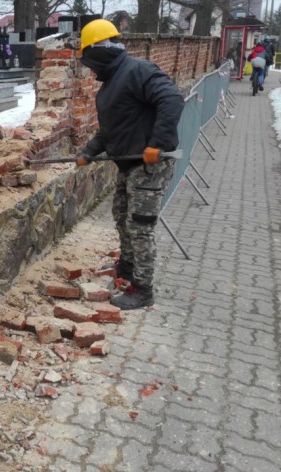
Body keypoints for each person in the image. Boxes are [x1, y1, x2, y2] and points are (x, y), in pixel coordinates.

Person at [74, 19, 184, 310]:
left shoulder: (138, 71)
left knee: (139, 226)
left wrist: (157, 144)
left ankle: (143, 289)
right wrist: (88, 153)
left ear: (99, 52)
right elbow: (110, 130)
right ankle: (127, 266)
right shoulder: (112, 83)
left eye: (90, 62)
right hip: (129, 165)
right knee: (121, 214)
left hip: (149, 166)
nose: (90, 69)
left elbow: (172, 100)